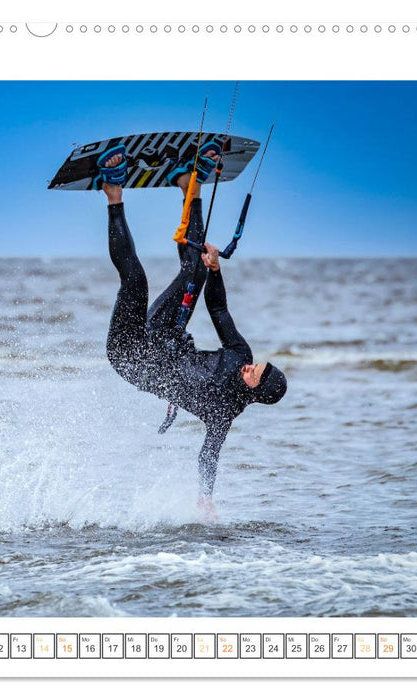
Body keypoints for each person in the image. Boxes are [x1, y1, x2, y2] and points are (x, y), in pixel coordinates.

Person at [97, 143, 287, 522]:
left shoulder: (223, 412)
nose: (250, 367)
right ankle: (189, 185)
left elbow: (209, 455)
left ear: (255, 391)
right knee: (196, 271)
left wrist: (205, 496)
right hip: (163, 334)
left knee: (135, 280)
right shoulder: (239, 354)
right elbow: (218, 309)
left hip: (130, 356)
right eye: (257, 365)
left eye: (255, 374)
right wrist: (216, 270)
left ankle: (113, 193)